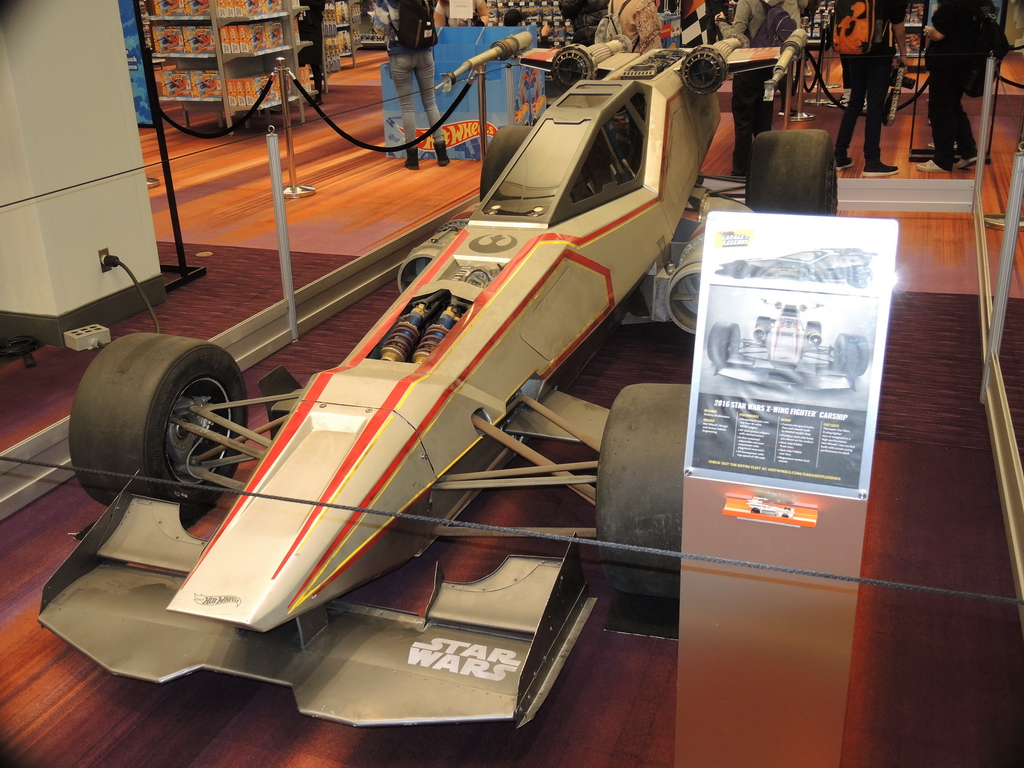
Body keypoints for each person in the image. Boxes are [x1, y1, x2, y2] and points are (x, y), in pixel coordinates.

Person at [716, 0, 801, 176]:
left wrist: (721, 23)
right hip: (769, 66)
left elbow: (737, 37)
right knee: (764, 122)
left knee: (744, 123)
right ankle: (764, 170)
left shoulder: (747, 2)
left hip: (748, 68)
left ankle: (740, 171)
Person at [832, 0, 908, 176]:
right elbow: (898, 25)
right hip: (879, 54)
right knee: (875, 106)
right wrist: (903, 53)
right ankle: (872, 160)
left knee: (854, 103)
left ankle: (839, 154)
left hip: (854, 51)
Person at [373, 0, 450, 170]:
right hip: (425, 52)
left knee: (407, 107)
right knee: (430, 102)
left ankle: (413, 158)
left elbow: (381, 28)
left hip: (400, 54)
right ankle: (442, 153)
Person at [916, 0, 990, 172]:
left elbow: (939, 34)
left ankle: (942, 159)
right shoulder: (980, 5)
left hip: (946, 63)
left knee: (940, 109)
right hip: (966, 63)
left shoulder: (952, 5)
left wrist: (928, 30)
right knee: (954, 107)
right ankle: (968, 151)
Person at [297, 0, 326, 103]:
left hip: (313, 28)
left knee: (315, 63)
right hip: (299, 28)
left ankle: (318, 96)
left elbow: (321, 6)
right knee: (300, 64)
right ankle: (302, 94)